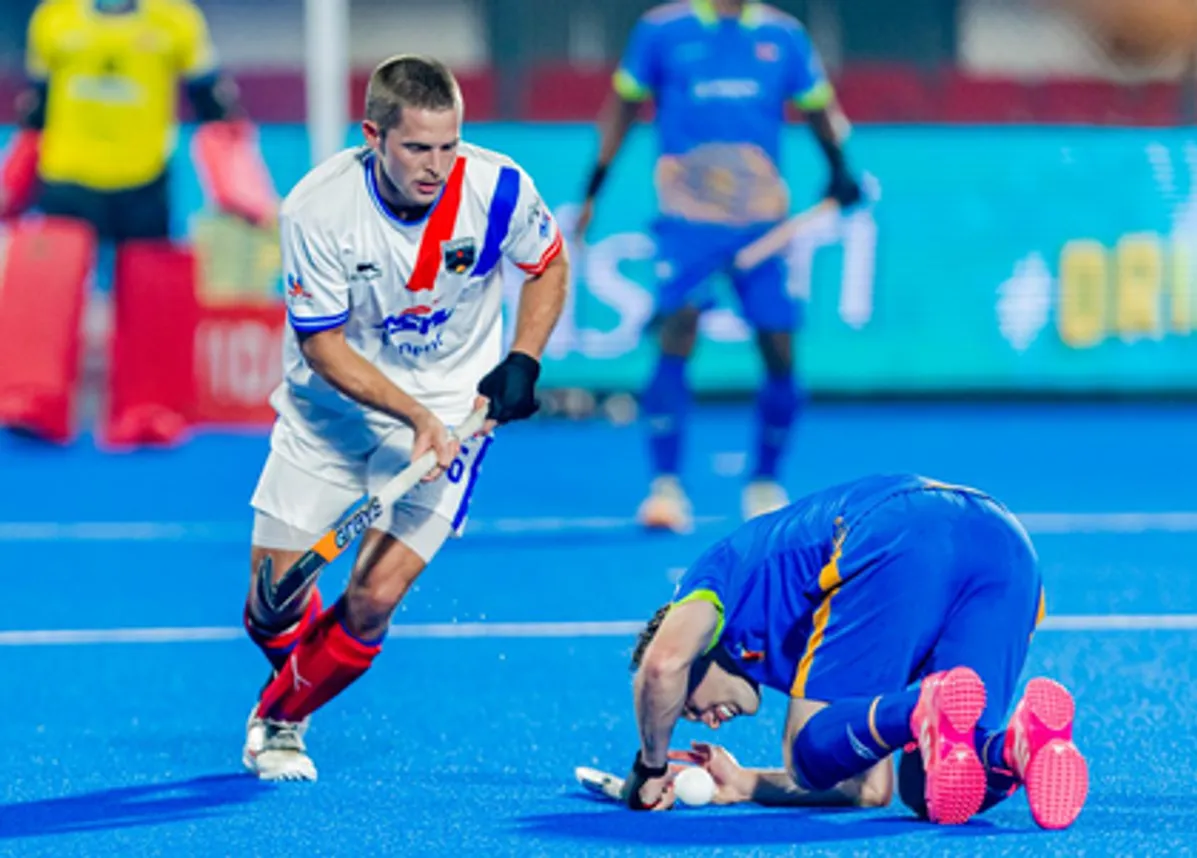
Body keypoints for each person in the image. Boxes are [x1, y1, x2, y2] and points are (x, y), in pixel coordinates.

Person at [238, 55, 568, 781]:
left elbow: (546, 263)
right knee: (265, 612)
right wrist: (411, 413)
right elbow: (322, 348)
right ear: (373, 136)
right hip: (329, 417)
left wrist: (524, 358)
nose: (437, 165)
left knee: (371, 600)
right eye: (418, 147)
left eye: (449, 145)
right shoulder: (317, 209)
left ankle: (282, 718)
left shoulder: (498, 187)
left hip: (453, 416)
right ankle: (301, 666)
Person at [620, 474, 1089, 830]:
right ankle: (1019, 746)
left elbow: (661, 665)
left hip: (901, 530)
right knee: (929, 787)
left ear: (700, 653)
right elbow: (868, 788)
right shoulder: (790, 640)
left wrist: (651, 768)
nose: (705, 719)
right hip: (1005, 546)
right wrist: (746, 783)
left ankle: (924, 706)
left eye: (686, 706)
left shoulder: (711, 580)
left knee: (804, 752)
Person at [576, 0, 863, 531]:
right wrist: (594, 185)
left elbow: (820, 108)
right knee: (677, 334)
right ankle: (665, 488)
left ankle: (765, 483)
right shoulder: (662, 31)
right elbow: (622, 107)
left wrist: (840, 167)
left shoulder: (785, 36)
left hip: (763, 224)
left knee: (779, 347)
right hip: (688, 222)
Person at [0, 0, 274, 445]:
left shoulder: (176, 19)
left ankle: (148, 409)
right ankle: (34, 400)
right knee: (46, 298)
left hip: (144, 177)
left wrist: (240, 182)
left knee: (150, 298)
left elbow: (212, 101)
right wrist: (15, 181)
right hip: (65, 175)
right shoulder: (54, 17)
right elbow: (36, 108)